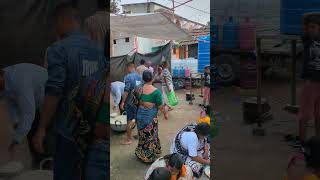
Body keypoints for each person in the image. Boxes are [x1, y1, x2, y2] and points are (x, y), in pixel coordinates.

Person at [32, 3, 108, 180]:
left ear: (60, 22)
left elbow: (54, 90)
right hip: (93, 132)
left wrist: (41, 128)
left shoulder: (58, 49)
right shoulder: (98, 50)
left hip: (67, 131)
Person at [0, 63, 49, 168]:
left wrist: (16, 140)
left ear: (1, 76)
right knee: (30, 131)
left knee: (43, 134)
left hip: (52, 98)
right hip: (36, 102)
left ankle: (47, 164)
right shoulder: (3, 81)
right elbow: (10, 102)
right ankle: (38, 160)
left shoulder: (19, 80)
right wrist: (16, 121)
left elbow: (28, 113)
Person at [298, 14, 320, 144]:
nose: (310, 29)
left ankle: (318, 143)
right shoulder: (307, 40)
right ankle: (302, 144)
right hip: (310, 83)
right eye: (309, 27)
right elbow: (303, 18)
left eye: (314, 27)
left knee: (319, 116)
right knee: (304, 115)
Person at [135, 71, 163, 163]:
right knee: (151, 136)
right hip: (150, 118)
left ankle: (141, 153)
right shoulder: (156, 92)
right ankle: (148, 157)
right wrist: (165, 112)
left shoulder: (138, 89)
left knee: (142, 136)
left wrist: (142, 102)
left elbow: (135, 103)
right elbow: (160, 106)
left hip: (140, 116)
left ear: (143, 79)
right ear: (152, 78)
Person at [120, 62, 142, 145]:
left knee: (129, 120)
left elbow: (126, 91)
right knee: (136, 119)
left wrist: (122, 102)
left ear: (129, 67)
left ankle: (128, 140)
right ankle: (138, 135)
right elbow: (139, 90)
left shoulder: (128, 77)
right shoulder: (139, 77)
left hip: (129, 102)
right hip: (137, 102)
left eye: (127, 68)